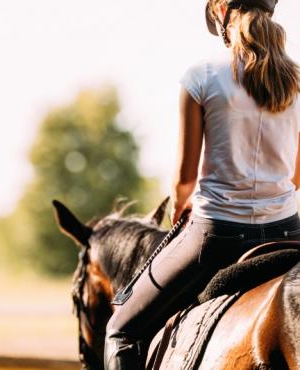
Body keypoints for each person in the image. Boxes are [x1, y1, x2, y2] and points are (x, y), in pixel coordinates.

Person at [104, 0, 300, 369]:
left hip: (216, 236)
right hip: (288, 230)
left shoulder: (202, 77)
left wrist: (181, 206)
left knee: (121, 331)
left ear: (222, 10)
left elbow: (184, 180)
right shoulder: (298, 81)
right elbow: (295, 176)